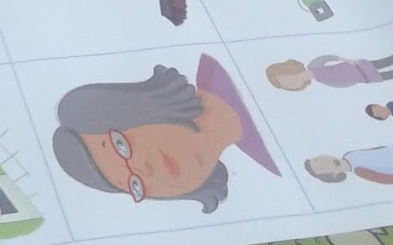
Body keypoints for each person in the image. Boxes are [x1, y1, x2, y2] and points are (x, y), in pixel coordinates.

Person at [51, 55, 279, 213]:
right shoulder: (271, 171)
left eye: (120, 145)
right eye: (135, 185)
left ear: (132, 107)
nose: (144, 170)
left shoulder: (225, 68)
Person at [266, 54, 393, 91]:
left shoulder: (314, 66)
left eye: (288, 80)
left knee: (384, 62)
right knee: (387, 74)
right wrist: (353, 81)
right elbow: (340, 85)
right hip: (361, 77)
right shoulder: (322, 80)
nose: (292, 83)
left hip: (354, 68)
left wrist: (346, 59)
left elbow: (327, 58)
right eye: (290, 85)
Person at [306, 149, 393, 186]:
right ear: (333, 175)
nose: (322, 161)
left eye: (316, 160)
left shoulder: (348, 155)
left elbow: (377, 150)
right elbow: (385, 179)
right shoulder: (359, 170)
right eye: (321, 168)